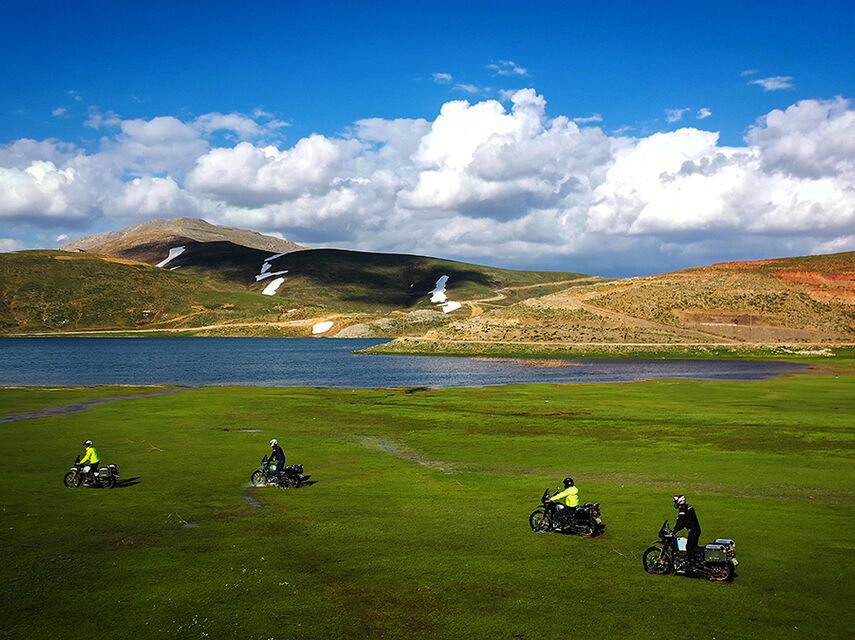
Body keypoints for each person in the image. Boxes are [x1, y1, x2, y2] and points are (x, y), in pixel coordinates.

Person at [672, 494, 702, 558]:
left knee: (689, 547)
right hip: (696, 529)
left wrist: (674, 531)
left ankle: (692, 563)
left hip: (693, 531)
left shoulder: (683, 510)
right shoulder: (689, 507)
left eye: (676, 502)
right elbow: (684, 523)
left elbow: (680, 523)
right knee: (694, 547)